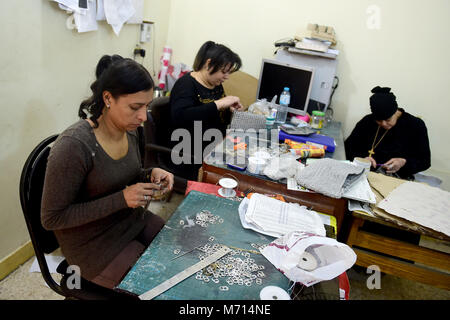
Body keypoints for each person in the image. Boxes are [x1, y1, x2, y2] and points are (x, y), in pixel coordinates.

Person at [41, 55, 174, 289]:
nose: (143, 117)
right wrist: (121, 199)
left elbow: (120, 176)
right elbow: (52, 218)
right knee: (151, 283)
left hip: (129, 221)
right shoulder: (75, 146)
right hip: (92, 245)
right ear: (108, 98)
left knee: (173, 250)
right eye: (135, 107)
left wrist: (151, 173)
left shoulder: (131, 130)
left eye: (146, 106)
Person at [168, 41, 243, 180]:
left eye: (228, 73)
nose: (226, 77)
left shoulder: (215, 85)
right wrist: (219, 104)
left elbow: (217, 116)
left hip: (214, 142)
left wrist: (230, 111)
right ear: (209, 64)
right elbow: (181, 117)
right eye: (223, 72)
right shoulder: (186, 84)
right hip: (189, 149)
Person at [345, 86, 431, 180]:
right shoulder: (367, 121)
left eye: (387, 119)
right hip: (363, 175)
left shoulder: (416, 125)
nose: (384, 124)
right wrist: (361, 159)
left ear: (395, 111)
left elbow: (425, 162)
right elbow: (348, 147)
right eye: (379, 120)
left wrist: (403, 162)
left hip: (396, 179)